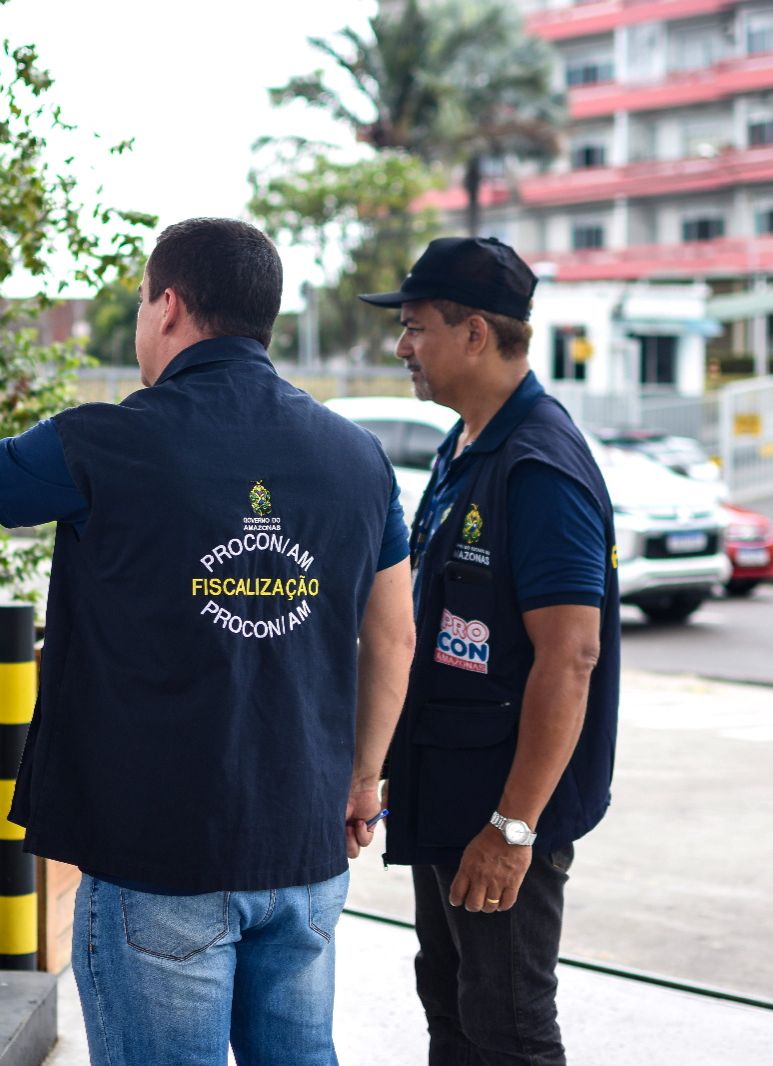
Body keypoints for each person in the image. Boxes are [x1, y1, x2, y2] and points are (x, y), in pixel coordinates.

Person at [0, 217, 416, 1066]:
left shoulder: (109, 441)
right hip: (303, 852)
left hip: (159, 856)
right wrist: (361, 783)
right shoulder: (357, 458)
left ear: (169, 306)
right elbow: (394, 637)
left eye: (143, 301)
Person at [359, 236, 620, 1065]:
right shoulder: (468, 444)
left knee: (506, 1027)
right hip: (450, 792)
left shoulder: (537, 466)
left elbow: (570, 658)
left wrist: (512, 829)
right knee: (452, 1005)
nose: (401, 347)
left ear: (474, 332)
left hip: (499, 812)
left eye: (414, 327)